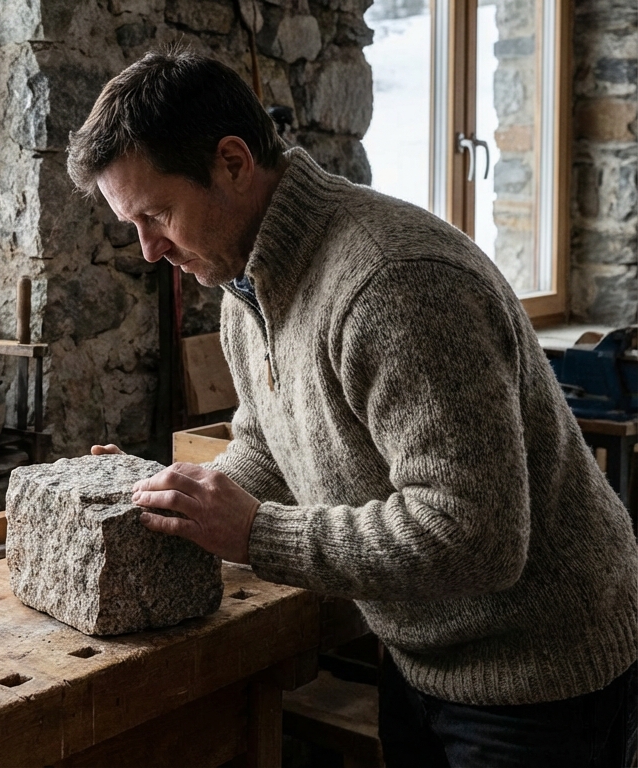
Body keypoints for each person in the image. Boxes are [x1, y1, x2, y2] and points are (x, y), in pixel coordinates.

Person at [68, 48, 638, 767]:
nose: (149, 251)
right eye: (133, 225)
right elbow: (271, 444)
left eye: (157, 215)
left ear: (233, 163)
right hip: (422, 652)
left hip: (540, 670)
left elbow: (477, 536)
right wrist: (165, 497)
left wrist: (255, 535)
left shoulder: (395, 284)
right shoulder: (247, 289)